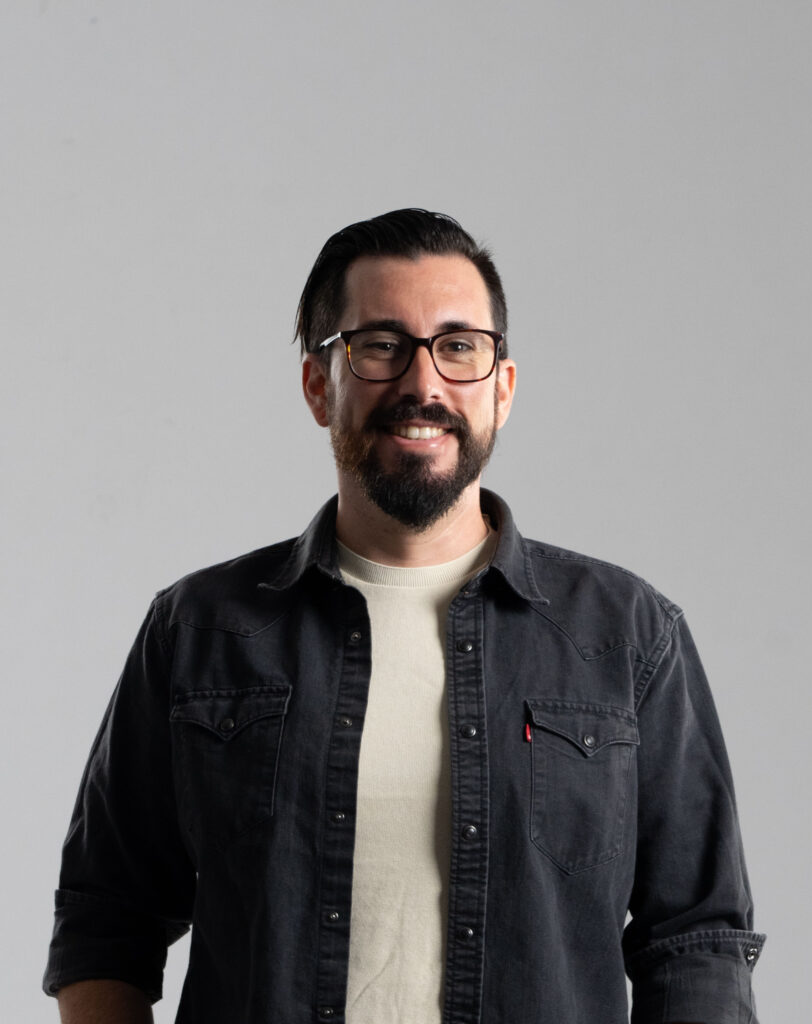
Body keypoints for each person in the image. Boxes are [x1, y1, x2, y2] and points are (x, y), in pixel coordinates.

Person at [44, 209, 764, 1024]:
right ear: (319, 385)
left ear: (501, 387)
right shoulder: (199, 631)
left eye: (458, 347)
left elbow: (695, 940)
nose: (423, 384)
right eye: (381, 346)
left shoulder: (626, 633)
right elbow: (105, 920)